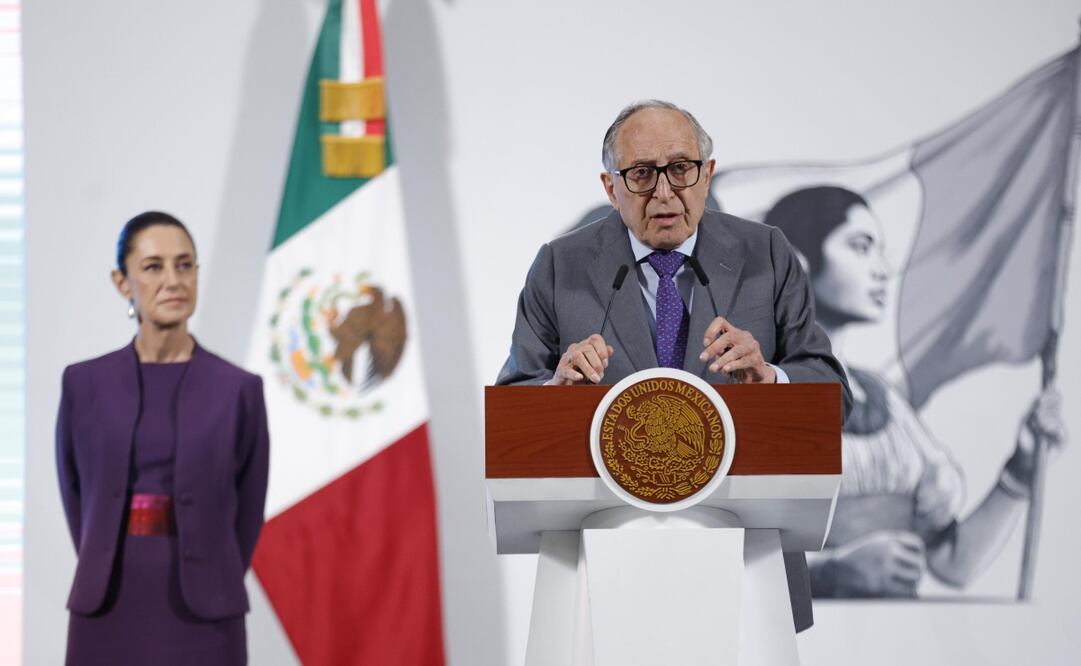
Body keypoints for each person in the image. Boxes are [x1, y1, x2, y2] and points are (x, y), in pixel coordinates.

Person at [496, 100, 852, 631]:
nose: (664, 192)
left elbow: (834, 399)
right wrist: (556, 391)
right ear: (610, 187)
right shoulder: (560, 266)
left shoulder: (766, 255)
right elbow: (513, 410)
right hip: (607, 562)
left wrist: (770, 379)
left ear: (707, 174)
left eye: (681, 169)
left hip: (746, 556)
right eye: (641, 174)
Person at [765, 186, 1065, 597]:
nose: (882, 269)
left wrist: (1022, 467)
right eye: (861, 247)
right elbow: (724, 561)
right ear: (795, 265)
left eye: (880, 251)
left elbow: (953, 564)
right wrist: (830, 572)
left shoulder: (885, 401)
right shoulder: (758, 391)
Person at [56, 211, 269, 664]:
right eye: (153, 267)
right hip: (106, 604)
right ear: (122, 283)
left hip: (207, 613)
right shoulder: (83, 384)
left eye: (185, 265)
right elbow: (76, 495)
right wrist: (102, 554)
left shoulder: (238, 389)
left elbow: (249, 508)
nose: (173, 280)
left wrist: (217, 569)